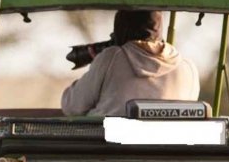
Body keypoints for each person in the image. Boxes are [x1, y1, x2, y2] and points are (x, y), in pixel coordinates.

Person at [60, 10, 200, 116]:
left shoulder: (111, 58)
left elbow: (71, 105)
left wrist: (100, 60)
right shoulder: (188, 68)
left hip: (110, 151)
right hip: (169, 152)